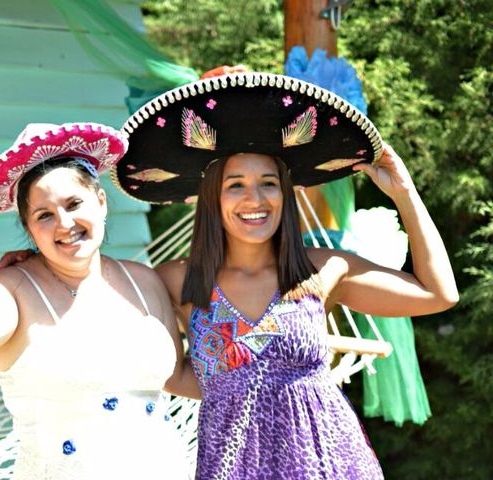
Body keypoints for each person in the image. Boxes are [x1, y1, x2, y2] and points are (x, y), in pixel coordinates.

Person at [110, 71, 459, 479]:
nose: (254, 199)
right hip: (231, 465)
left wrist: (405, 193)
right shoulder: (175, 281)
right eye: (235, 185)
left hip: (330, 464)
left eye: (268, 183)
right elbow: (173, 372)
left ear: (285, 193)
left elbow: (438, 294)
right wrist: (26, 264)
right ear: (212, 198)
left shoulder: (322, 268)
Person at [0, 122, 199, 479]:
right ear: (30, 229)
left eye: (74, 203)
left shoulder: (144, 280)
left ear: (101, 202)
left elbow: (179, 377)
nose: (64, 223)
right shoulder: (14, 286)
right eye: (44, 215)